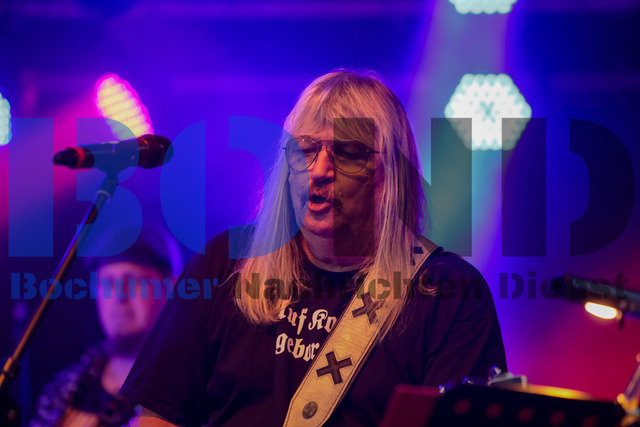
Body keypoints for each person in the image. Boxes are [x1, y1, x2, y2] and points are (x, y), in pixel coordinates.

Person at [122, 70, 507, 426]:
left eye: (348, 153)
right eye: (305, 149)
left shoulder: (447, 292)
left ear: (390, 174)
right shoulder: (226, 262)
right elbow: (159, 416)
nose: (319, 171)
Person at [31, 227, 181, 427]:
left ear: (169, 287)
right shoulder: (62, 389)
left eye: (133, 281)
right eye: (107, 283)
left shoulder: (189, 388)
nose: (119, 296)